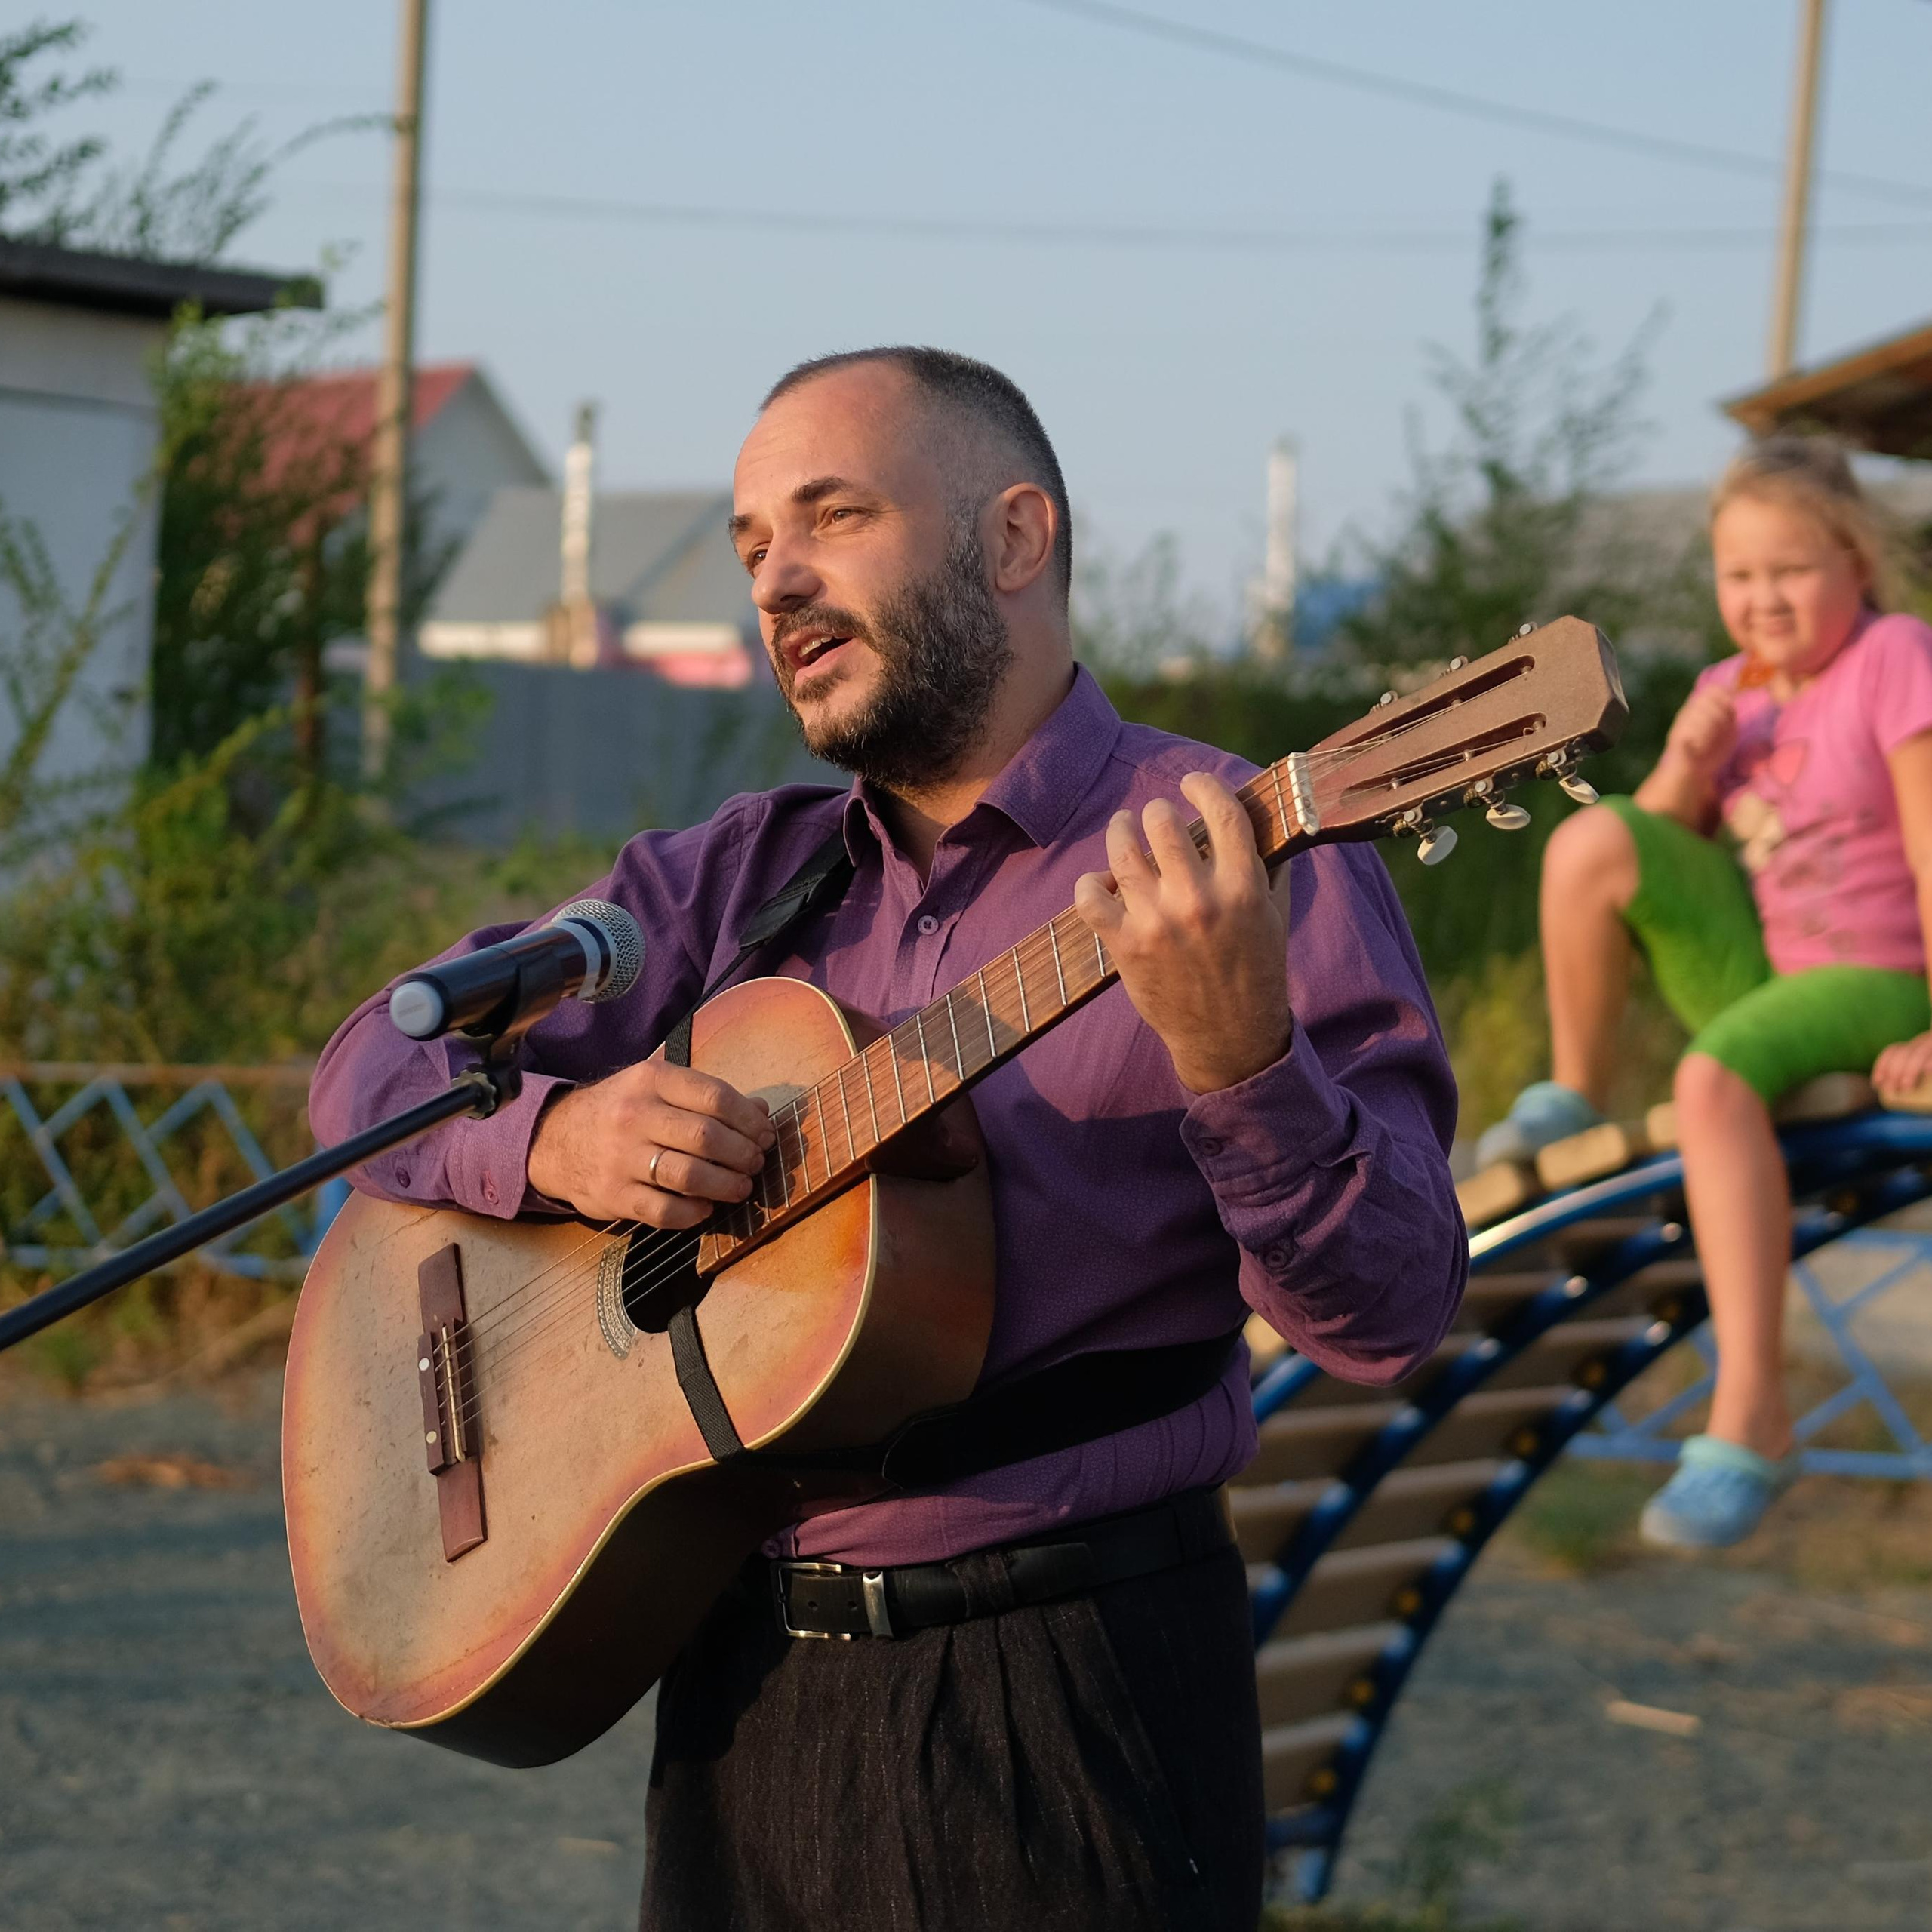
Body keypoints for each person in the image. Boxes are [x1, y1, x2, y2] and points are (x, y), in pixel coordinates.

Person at [311, 346, 1466, 1930]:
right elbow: (375, 1060)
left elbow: (1389, 1314)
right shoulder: (733, 879)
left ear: (1014, 536)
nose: (774, 579)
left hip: (1074, 1693)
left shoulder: (1238, 853)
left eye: (832, 516)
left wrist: (1240, 1057)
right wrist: (558, 1141)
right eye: (749, 545)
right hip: (743, 1687)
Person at [1475, 436, 1932, 1552]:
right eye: (1740, 575)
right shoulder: (1730, 689)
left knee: (1711, 1081)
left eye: (1793, 570)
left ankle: (1752, 1418)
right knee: (1593, 839)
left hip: (1880, 980)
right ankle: (1574, 1090)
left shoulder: (1892, 656)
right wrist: (1685, 761)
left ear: (1857, 563)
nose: (1763, 598)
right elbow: (1661, 854)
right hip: (1767, 975)